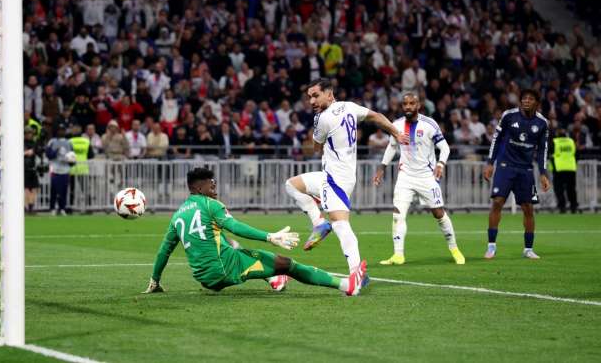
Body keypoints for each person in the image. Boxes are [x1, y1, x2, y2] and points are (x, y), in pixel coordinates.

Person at [143, 168, 367, 296]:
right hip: (225, 269)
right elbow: (236, 226)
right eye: (212, 186)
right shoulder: (211, 205)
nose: (215, 190)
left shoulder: (177, 215)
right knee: (287, 264)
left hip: (205, 278)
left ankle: (273, 279)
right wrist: (270, 236)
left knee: (228, 242)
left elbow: (164, 251)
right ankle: (347, 285)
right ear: (199, 188)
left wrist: (155, 282)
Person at [284, 78, 407, 277]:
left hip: (337, 179)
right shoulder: (349, 106)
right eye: (309, 97)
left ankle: (356, 273)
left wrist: (316, 136)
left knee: (341, 225)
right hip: (333, 175)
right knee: (291, 185)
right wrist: (396, 133)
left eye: (316, 96)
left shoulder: (322, 118)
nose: (312, 101)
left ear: (329, 94)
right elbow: (376, 116)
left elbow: (316, 149)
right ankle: (319, 223)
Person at [372, 93, 465, 265]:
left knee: (439, 214)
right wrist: (381, 168)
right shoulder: (396, 125)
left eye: (411, 103)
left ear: (418, 105)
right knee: (397, 215)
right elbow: (392, 147)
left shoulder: (429, 124)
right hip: (405, 177)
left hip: (427, 177)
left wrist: (440, 164)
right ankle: (398, 255)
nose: (408, 106)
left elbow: (444, 147)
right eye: (405, 104)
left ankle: (454, 249)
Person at [483, 89, 550, 259]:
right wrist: (490, 162)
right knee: (497, 202)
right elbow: (496, 139)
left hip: (526, 170)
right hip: (505, 166)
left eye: (530, 98)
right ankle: (491, 246)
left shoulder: (542, 123)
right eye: (524, 98)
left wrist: (543, 173)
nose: (526, 101)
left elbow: (543, 150)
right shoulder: (509, 115)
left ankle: (528, 249)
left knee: (528, 208)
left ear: (537, 103)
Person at [45, 125, 73, 215]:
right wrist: (55, 151)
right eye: (60, 130)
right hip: (55, 168)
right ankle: (52, 208)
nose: (61, 132)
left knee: (64, 190)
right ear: (57, 131)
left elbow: (72, 156)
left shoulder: (69, 142)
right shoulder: (52, 141)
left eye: (63, 130)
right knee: (54, 189)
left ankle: (62, 208)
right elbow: (48, 155)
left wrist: (71, 161)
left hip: (65, 169)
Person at [551, 129, 578, 214]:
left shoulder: (555, 142)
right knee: (571, 189)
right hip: (571, 168)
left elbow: (550, 154)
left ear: (557, 134)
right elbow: (576, 154)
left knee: (559, 189)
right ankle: (573, 207)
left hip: (559, 168)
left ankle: (562, 207)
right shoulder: (571, 141)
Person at [24, 126, 43, 214]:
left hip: (33, 168)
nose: (29, 135)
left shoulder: (34, 143)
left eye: (30, 133)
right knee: (26, 188)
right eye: (28, 133)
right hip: (24, 169)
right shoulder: (21, 143)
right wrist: (26, 153)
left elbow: (39, 152)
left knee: (34, 188)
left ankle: (31, 207)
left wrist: (36, 150)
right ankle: (26, 207)